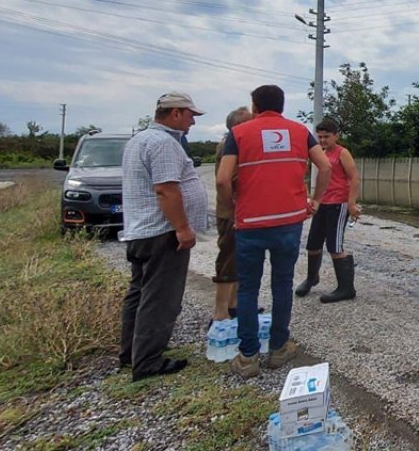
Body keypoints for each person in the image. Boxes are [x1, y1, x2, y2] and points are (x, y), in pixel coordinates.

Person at [217, 85, 331, 379]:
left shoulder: (239, 134)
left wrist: (230, 209)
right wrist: (315, 201)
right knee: (282, 285)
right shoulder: (299, 131)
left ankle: (248, 356)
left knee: (249, 287)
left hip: (251, 224)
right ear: (281, 105)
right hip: (288, 222)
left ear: (254, 107)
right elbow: (324, 167)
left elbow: (221, 179)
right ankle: (279, 349)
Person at [119, 91, 208, 382]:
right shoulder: (163, 144)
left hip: (141, 230)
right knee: (160, 298)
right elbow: (166, 189)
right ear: (176, 113)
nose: (193, 121)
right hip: (162, 232)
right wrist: (182, 228)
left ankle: (131, 352)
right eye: (191, 115)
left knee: (140, 293)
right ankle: (147, 362)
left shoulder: (139, 140)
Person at [296, 117, 360, 303]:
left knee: (335, 245)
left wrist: (352, 203)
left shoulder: (342, 153)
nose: (323, 140)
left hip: (338, 204)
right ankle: (311, 278)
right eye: (320, 136)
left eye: (327, 136)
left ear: (336, 136)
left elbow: (354, 178)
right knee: (313, 244)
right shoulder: (320, 152)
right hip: (322, 202)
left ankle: (346, 288)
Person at [212, 106, 254, 322]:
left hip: (238, 212)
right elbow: (229, 181)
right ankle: (220, 313)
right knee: (228, 259)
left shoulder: (235, 143)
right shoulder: (229, 146)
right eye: (250, 121)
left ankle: (234, 305)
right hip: (232, 213)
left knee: (239, 260)